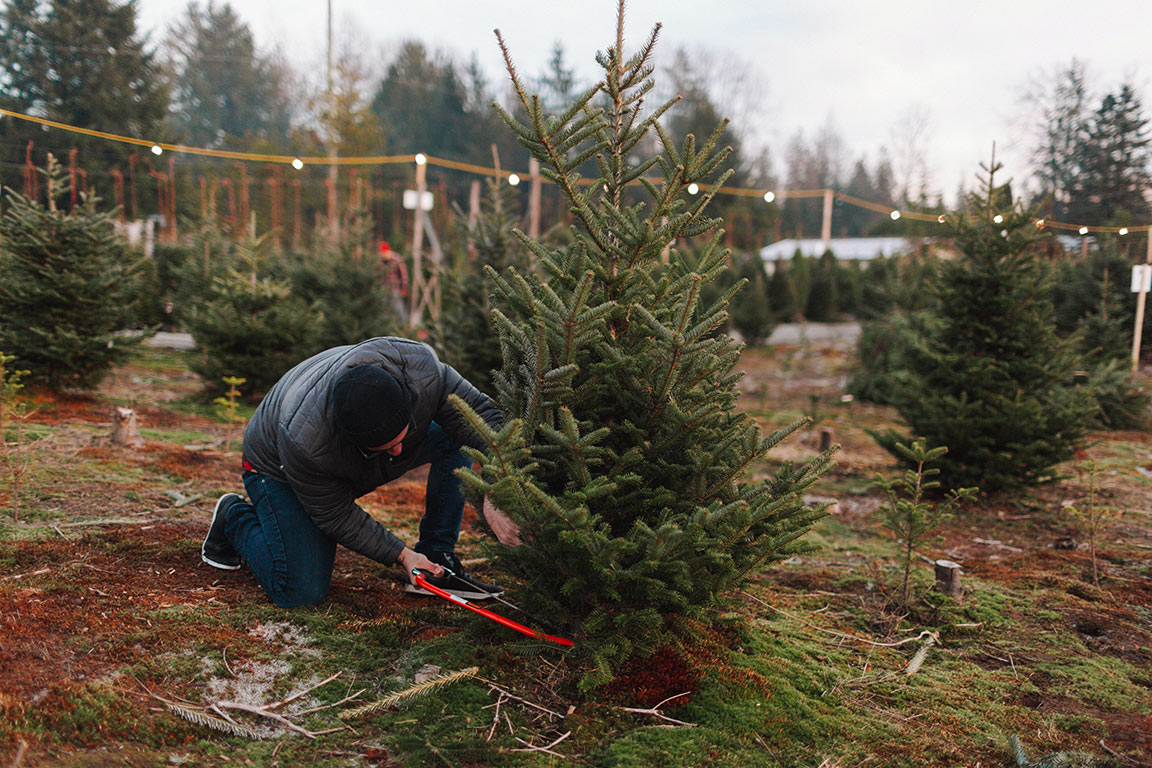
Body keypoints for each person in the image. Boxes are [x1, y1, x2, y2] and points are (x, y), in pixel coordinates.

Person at [200, 337, 520, 609]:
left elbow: (486, 421)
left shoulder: (422, 371)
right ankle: (234, 516)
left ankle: (437, 556)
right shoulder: (307, 443)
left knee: (456, 432)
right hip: (274, 466)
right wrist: (401, 555)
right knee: (300, 589)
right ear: (354, 442)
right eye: (387, 447)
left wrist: (495, 490)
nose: (399, 453)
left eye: (402, 439)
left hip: (342, 451)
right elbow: (335, 514)